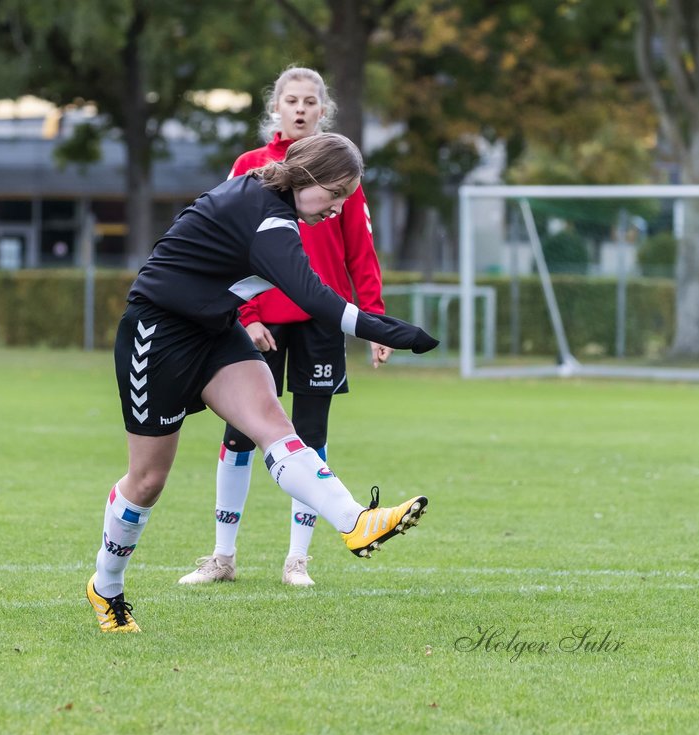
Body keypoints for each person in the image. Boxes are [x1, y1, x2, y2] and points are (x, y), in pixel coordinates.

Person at [87, 133, 438, 633]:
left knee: (274, 425)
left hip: (213, 330)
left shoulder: (272, 202)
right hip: (157, 333)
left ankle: (356, 521)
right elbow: (316, 298)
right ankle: (106, 586)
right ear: (310, 177)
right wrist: (392, 331)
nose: (337, 210)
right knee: (147, 481)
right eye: (335, 196)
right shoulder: (267, 216)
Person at [179, 66, 388, 589]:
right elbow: (226, 246)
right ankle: (222, 556)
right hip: (260, 324)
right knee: (242, 433)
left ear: (324, 110)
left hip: (320, 321)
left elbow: (360, 252)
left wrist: (376, 320)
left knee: (309, 436)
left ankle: (298, 560)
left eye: (310, 102)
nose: (300, 109)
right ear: (276, 108)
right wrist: (244, 318)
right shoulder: (252, 166)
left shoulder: (341, 170)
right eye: (291, 100)